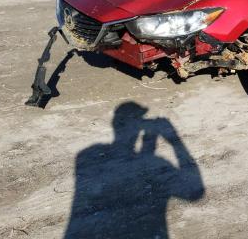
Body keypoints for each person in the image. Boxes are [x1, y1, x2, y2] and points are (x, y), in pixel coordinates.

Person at [64, 102, 204, 238]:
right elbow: (194, 192)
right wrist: (175, 141)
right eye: (138, 120)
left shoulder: (88, 155)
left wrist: (147, 147)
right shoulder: (157, 163)